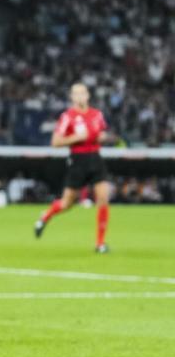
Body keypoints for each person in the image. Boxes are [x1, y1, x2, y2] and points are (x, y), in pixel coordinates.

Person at [34, 83, 111, 253]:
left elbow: (103, 134)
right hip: (78, 160)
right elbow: (55, 142)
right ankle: (45, 216)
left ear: (88, 95)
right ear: (72, 97)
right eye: (76, 93)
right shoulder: (67, 117)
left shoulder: (97, 115)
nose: (80, 96)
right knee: (67, 203)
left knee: (104, 197)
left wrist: (102, 137)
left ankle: (100, 243)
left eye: (82, 93)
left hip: (96, 159)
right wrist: (76, 137)